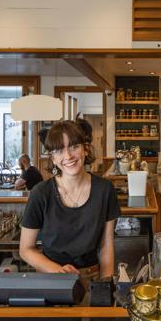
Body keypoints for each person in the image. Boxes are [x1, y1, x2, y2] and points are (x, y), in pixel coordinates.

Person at [20, 121, 120, 294]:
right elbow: (26, 249)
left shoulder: (105, 190)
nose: (68, 156)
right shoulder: (41, 193)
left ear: (85, 149)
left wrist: (106, 287)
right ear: (52, 158)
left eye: (74, 146)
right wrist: (58, 271)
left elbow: (106, 247)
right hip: (50, 277)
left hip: (92, 278)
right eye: (59, 150)